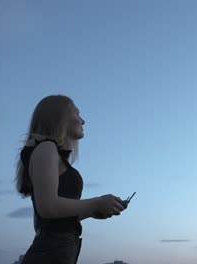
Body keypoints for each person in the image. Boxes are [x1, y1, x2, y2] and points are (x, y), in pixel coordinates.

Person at [14, 94, 125, 264]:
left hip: (57, 251)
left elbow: (49, 219)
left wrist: (92, 212)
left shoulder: (49, 151)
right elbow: (48, 208)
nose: (83, 120)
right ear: (60, 118)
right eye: (77, 113)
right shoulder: (47, 148)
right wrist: (96, 202)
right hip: (50, 254)